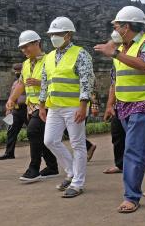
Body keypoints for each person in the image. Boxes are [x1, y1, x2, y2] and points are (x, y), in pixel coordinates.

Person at [94, 6, 145, 213]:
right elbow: (116, 79)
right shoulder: (123, 47)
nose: (113, 28)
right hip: (124, 104)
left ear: (127, 26)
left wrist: (116, 53)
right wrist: (111, 104)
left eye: (116, 25)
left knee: (133, 149)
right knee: (144, 147)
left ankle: (131, 197)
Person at [40, 17, 95, 198]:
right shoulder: (48, 57)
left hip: (74, 106)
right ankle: (71, 171)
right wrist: (41, 105)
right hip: (54, 106)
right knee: (50, 140)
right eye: (52, 34)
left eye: (58, 34)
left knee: (77, 144)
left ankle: (78, 183)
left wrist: (83, 105)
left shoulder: (81, 54)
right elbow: (45, 82)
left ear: (68, 35)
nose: (54, 37)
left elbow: (86, 81)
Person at [5, 30, 59, 183]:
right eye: (22, 48)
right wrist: (11, 99)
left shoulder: (50, 59)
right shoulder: (26, 64)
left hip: (47, 103)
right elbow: (21, 84)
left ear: (37, 43)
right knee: (39, 137)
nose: (24, 50)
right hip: (31, 107)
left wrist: (40, 83)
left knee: (33, 131)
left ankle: (34, 168)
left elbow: (58, 81)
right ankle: (52, 166)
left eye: (27, 46)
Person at [103, 86, 145, 174]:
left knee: (140, 133)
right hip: (120, 101)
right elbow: (113, 83)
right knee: (117, 131)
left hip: (138, 100)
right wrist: (109, 105)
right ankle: (121, 165)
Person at [0, 63, 28, 160]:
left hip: (27, 108)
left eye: (19, 71)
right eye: (16, 71)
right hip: (16, 110)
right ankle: (9, 153)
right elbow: (11, 97)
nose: (17, 73)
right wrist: (8, 109)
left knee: (34, 131)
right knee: (11, 131)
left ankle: (42, 152)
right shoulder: (15, 83)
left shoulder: (28, 81)